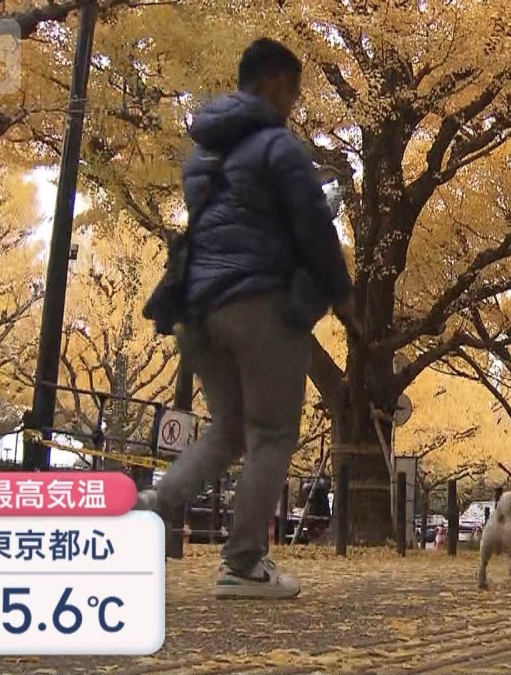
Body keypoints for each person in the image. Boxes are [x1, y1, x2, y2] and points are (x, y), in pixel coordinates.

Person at [135, 38, 354, 599]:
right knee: (273, 433)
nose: (296, 102)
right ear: (276, 83)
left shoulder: (204, 154)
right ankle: (243, 563)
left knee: (229, 430)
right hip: (259, 302)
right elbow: (314, 225)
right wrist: (343, 297)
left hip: (199, 308)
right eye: (295, 89)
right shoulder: (278, 147)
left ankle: (152, 507)